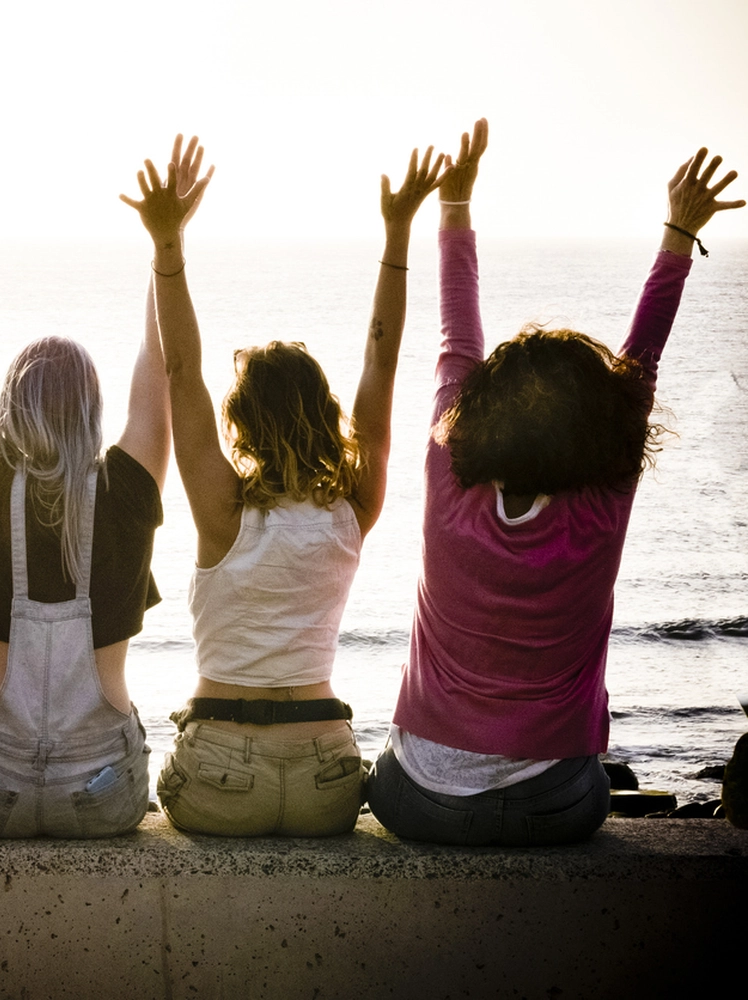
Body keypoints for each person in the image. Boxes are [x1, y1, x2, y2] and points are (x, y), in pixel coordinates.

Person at [365, 120, 744, 846]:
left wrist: (455, 206)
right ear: (601, 424)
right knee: (599, 786)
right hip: (555, 808)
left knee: (384, 773)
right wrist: (677, 234)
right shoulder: (603, 504)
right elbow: (643, 362)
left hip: (420, 801)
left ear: (479, 406)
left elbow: (457, 338)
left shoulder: (449, 475)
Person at [123, 135, 444, 837]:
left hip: (218, 776)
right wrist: (397, 234)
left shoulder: (223, 512)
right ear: (328, 415)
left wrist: (168, 246)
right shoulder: (353, 507)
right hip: (323, 776)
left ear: (240, 423)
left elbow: (182, 372)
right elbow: (382, 364)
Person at [0, 148, 171, 838]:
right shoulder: (127, 486)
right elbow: (163, 366)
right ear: (94, 413)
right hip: (101, 790)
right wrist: (166, 248)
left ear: (10, 409)